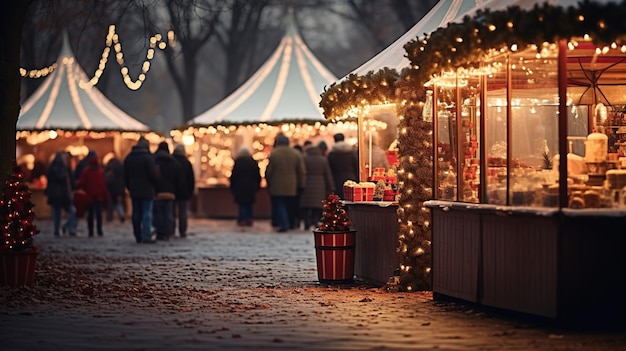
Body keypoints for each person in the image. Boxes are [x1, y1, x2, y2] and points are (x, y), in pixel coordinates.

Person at [265, 134, 306, 232]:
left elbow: (269, 171)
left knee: (279, 205)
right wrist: (301, 184)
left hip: (276, 184)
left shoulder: (274, 153)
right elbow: (301, 171)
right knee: (289, 205)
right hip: (292, 185)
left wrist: (269, 182)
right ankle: (289, 223)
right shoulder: (295, 153)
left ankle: (284, 224)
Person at [124, 136, 158, 244]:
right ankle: (146, 235)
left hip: (134, 190)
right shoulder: (148, 158)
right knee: (147, 213)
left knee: (136, 213)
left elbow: (125, 176)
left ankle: (137, 235)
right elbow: (153, 175)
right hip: (147, 190)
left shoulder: (129, 157)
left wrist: (129, 187)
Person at [299, 143, 335, 230]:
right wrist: (331, 187)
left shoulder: (304, 159)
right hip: (320, 184)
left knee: (307, 205)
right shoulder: (323, 160)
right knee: (317, 205)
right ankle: (315, 221)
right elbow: (327, 174)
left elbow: (301, 172)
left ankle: (307, 222)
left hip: (307, 183)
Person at [45, 151, 77, 237]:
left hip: (60, 194)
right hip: (61, 194)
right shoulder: (62, 168)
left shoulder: (54, 167)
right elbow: (63, 179)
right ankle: (60, 229)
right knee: (66, 211)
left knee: (60, 213)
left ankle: (60, 229)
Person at [153, 142, 180, 241]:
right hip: (170, 192)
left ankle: (160, 232)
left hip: (157, 192)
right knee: (168, 213)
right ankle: (168, 232)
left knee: (158, 213)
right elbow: (178, 178)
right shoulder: (174, 162)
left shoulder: (154, 159)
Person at [77, 156, 109, 237]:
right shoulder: (100, 172)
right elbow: (103, 185)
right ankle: (99, 230)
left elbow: (81, 183)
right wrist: (106, 196)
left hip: (89, 196)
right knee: (98, 215)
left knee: (90, 215)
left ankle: (91, 231)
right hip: (98, 196)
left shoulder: (86, 172)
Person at [229, 146, 261, 227]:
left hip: (240, 186)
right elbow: (257, 176)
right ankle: (249, 219)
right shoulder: (253, 162)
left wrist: (232, 186)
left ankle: (242, 219)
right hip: (251, 186)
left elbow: (234, 175)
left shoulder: (238, 162)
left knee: (242, 204)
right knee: (249, 203)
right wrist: (257, 186)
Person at [172, 145, 195, 237]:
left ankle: (171, 230)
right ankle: (182, 230)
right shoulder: (187, 163)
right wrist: (190, 192)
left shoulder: (172, 161)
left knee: (171, 212)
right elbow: (191, 179)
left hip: (173, 190)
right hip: (184, 191)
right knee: (183, 212)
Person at [327, 133, 359, 198]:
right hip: (350, 180)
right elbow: (356, 167)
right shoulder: (351, 152)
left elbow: (329, 169)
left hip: (336, 180)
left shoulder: (331, 154)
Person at [104, 157, 126, 223]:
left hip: (110, 188)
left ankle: (109, 217)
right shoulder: (121, 167)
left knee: (110, 203)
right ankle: (121, 214)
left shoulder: (109, 167)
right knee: (118, 203)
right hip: (119, 188)